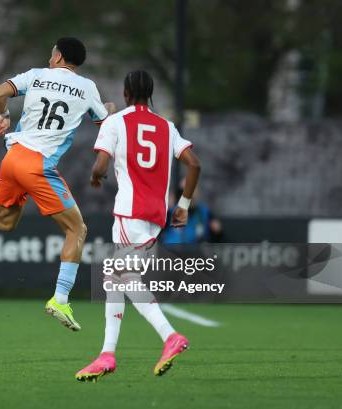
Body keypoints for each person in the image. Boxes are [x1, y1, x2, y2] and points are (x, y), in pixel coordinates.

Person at [0, 37, 114, 331]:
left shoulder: (36, 76)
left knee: (2, 222)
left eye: (51, 54)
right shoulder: (87, 88)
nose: (49, 58)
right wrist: (108, 107)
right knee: (77, 229)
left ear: (58, 57)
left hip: (14, 156)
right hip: (38, 166)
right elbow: (105, 124)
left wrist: (4, 113)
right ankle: (60, 298)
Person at [75, 70, 201, 381]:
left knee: (119, 278)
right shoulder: (167, 126)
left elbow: (100, 165)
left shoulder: (116, 122)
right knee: (117, 279)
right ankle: (107, 354)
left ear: (126, 93)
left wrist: (95, 176)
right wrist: (183, 207)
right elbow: (194, 164)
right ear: (151, 94)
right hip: (156, 216)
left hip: (129, 212)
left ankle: (169, 336)